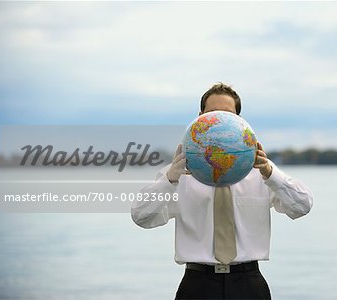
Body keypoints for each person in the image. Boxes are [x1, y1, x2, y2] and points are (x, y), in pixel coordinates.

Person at [131, 83, 313, 300]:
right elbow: (140, 216)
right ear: (199, 118)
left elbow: (303, 206)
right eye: (211, 114)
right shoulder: (176, 175)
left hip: (249, 284)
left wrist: (270, 174)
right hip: (197, 285)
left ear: (239, 120)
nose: (219, 121)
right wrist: (170, 180)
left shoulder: (262, 172)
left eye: (227, 114)